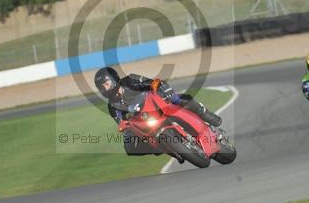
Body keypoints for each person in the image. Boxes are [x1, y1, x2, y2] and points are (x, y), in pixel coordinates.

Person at [94, 67, 222, 157]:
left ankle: (203, 111)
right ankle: (162, 148)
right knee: (129, 147)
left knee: (176, 98)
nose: (105, 89)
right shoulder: (112, 106)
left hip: (156, 102)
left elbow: (151, 82)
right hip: (145, 120)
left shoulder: (129, 80)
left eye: (106, 84)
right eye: (101, 87)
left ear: (114, 79)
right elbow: (123, 125)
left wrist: (161, 87)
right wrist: (125, 127)